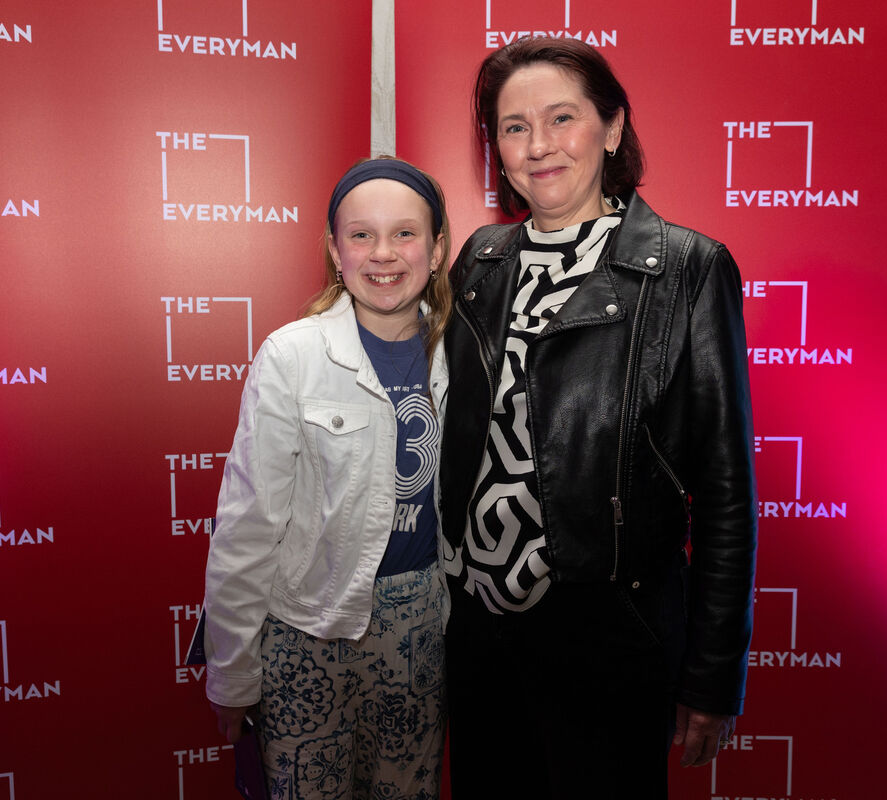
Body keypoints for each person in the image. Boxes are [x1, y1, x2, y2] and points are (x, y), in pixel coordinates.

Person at [439, 38, 758, 798]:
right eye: (514, 127)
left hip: (608, 634)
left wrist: (711, 675)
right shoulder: (480, 261)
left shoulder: (687, 268)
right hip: (478, 630)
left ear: (612, 128)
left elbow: (725, 493)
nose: (539, 145)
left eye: (561, 118)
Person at [204, 156, 452, 800]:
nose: (383, 253)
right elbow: (248, 524)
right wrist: (231, 672)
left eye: (405, 233)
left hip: (420, 629)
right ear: (335, 251)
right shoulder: (293, 355)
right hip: (306, 632)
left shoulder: (463, 353)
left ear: (437, 247)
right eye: (361, 234)